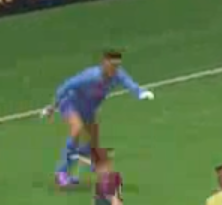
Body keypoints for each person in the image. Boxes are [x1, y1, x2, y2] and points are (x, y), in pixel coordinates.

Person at [39, 50, 155, 188]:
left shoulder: (118, 75)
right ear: (104, 64)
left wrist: (141, 93)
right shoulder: (90, 76)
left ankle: (83, 154)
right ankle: (61, 172)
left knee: (93, 140)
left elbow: (129, 83)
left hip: (89, 109)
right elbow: (66, 86)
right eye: (112, 65)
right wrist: (53, 106)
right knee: (77, 129)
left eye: (117, 65)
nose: (115, 69)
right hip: (71, 104)